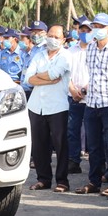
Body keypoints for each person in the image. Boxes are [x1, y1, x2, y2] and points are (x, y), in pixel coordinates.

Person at [75, 12, 108, 196]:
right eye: (95, 26)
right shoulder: (89, 48)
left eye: (100, 27)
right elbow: (92, 74)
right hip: (92, 103)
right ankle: (94, 181)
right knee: (94, 146)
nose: (96, 30)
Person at [26, 24, 72, 192]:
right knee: (39, 145)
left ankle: (62, 180)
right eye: (50, 35)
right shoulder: (39, 55)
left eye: (56, 37)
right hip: (36, 106)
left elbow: (55, 74)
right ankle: (43, 179)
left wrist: (40, 76)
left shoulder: (66, 56)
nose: (52, 39)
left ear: (64, 40)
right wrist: (45, 79)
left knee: (60, 145)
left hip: (57, 106)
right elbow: (28, 78)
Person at [67, 18, 91, 175]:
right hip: (72, 96)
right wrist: (73, 90)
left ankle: (98, 164)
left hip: (90, 97)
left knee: (92, 132)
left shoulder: (96, 50)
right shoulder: (70, 51)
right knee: (72, 130)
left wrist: (83, 91)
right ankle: (73, 161)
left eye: (88, 30)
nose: (84, 33)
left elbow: (97, 74)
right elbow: (65, 74)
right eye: (82, 30)